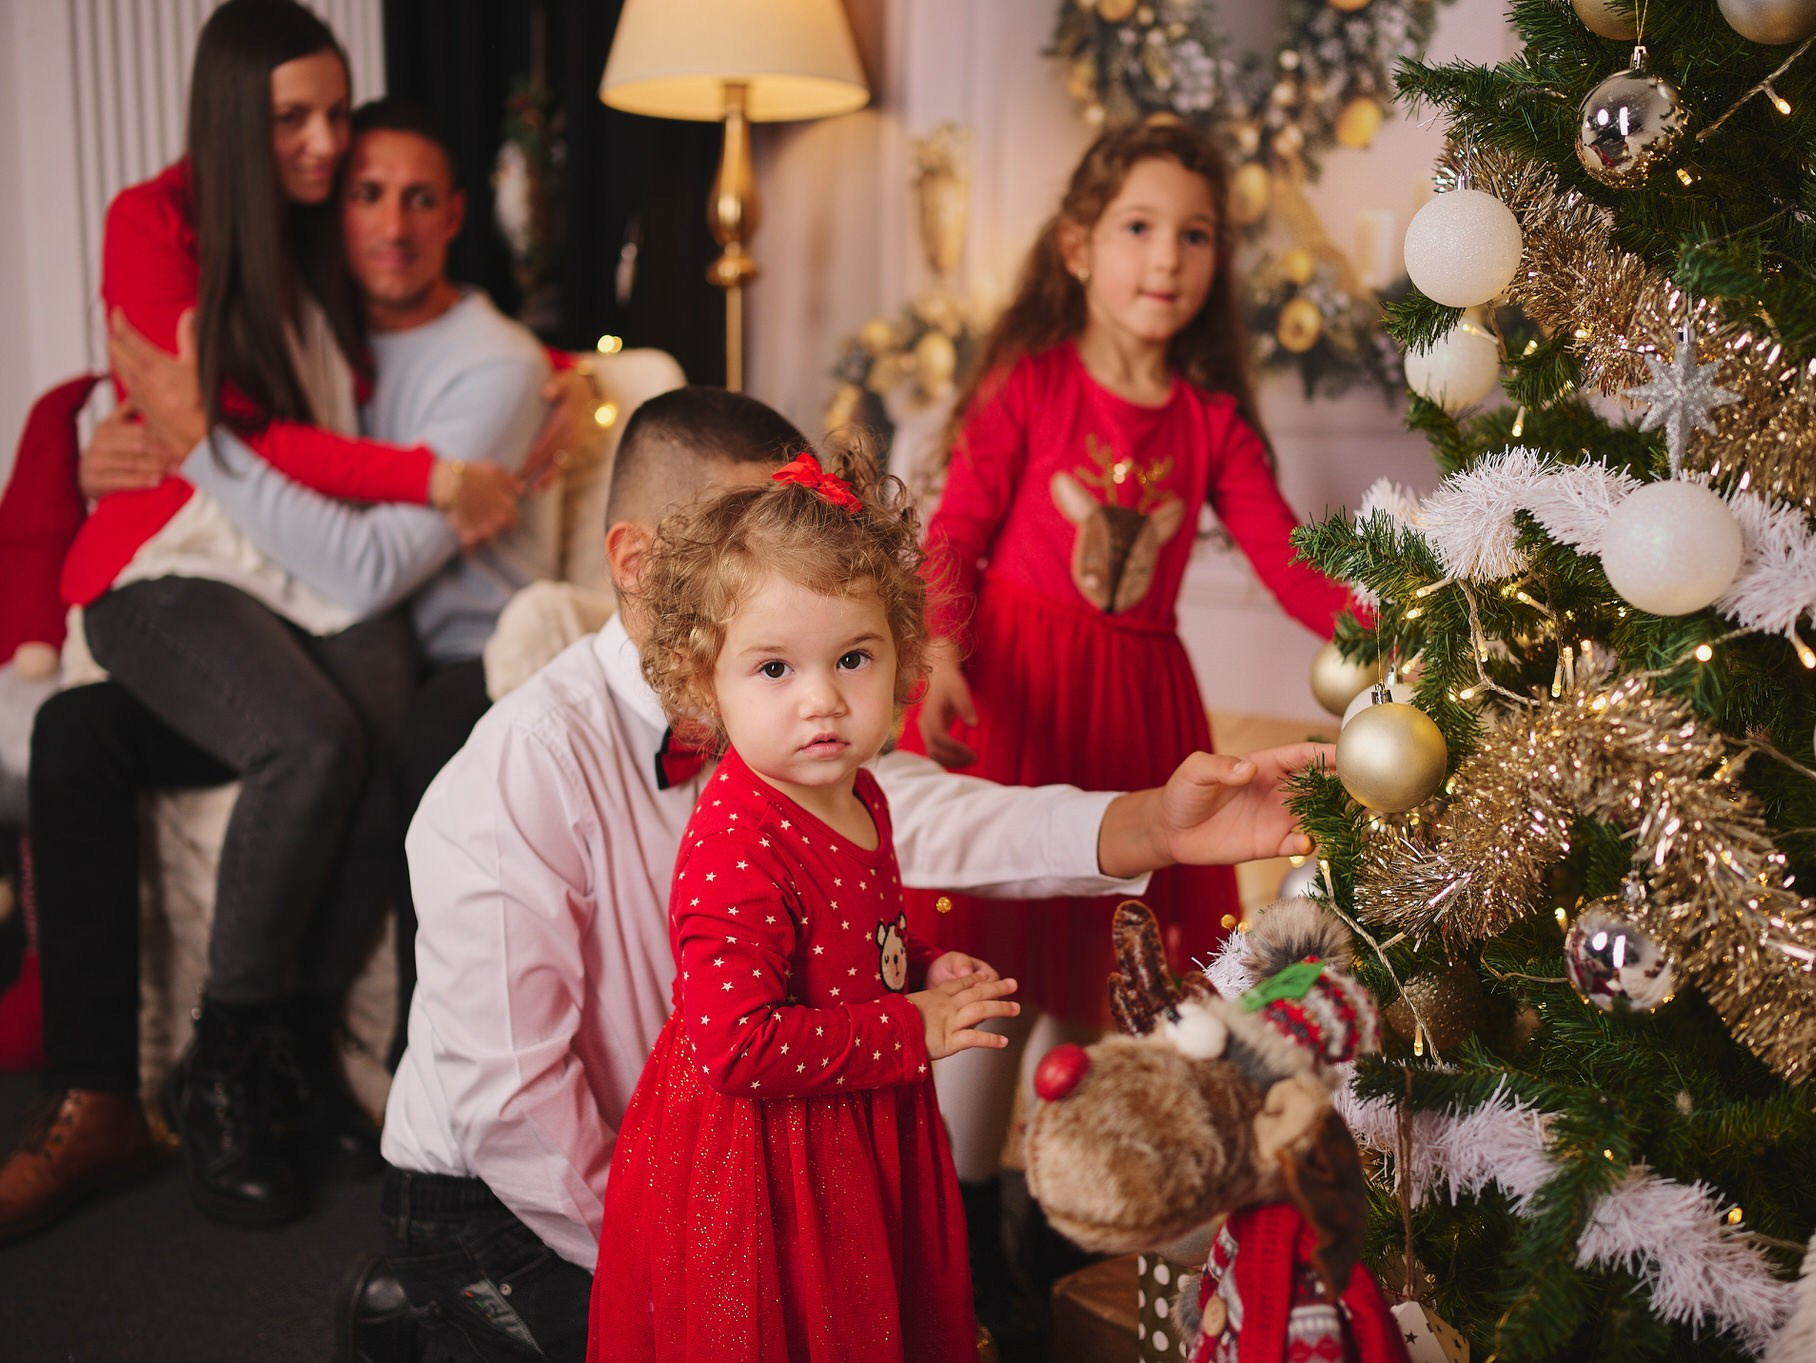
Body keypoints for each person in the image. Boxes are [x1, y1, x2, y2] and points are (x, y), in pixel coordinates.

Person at [347, 387, 1329, 1363]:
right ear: (643, 566)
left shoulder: (806, 739)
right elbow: (510, 1108)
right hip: (517, 1196)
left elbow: (952, 819)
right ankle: (408, 1313)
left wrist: (1158, 822)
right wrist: (685, 1264)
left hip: (746, 1154)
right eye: (755, 540)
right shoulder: (518, 769)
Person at [0, 93, 559, 1238]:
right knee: (74, 733)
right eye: (366, 194)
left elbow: (359, 572)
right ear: (331, 208)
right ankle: (95, 1091)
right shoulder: (308, 323)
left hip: (437, 637)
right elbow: (224, 427)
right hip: (299, 618)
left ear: (457, 216)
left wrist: (201, 443)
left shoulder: (490, 365)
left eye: (417, 199)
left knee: (363, 736)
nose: (390, 224)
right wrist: (137, 445)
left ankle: (266, 1056)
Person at [898, 119, 1360, 1322]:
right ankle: (961, 1223)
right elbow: (953, 533)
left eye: (1193, 235)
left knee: (1098, 977)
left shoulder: (1208, 420)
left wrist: (1379, 627)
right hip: (1016, 697)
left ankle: (1063, 1215)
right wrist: (939, 651)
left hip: (1137, 712)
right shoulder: (1030, 385)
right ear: (1075, 247)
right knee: (995, 961)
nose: (1167, 258)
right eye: (1138, 229)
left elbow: (1288, 562)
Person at [588, 442, 1013, 1361]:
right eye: (774, 669)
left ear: (903, 658)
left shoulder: (862, 791)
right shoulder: (737, 837)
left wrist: (926, 968)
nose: (823, 700)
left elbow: (854, 948)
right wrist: (913, 1029)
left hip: (859, 1121)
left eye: (853, 657)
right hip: (768, 1163)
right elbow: (735, 1043)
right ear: (708, 682)